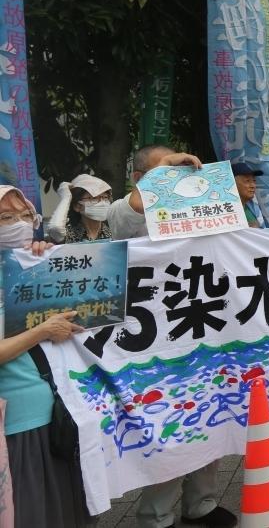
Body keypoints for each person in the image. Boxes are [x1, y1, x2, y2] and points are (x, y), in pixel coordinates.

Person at [107, 145, 237, 528]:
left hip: (205, 324)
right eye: (166, 172)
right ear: (139, 178)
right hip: (157, 339)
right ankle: (156, 516)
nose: (176, 180)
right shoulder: (123, 209)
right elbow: (131, 211)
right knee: (169, 423)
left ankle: (202, 504)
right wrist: (161, 173)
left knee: (210, 412)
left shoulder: (196, 210)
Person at [0, 185, 89, 527]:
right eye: (6, 217)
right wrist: (42, 331)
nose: (19, 225)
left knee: (61, 511)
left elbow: (76, 316)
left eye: (25, 216)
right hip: (14, 423)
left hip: (54, 412)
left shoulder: (35, 263)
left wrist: (49, 263)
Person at [47, 174, 113, 243]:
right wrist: (66, 197)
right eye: (93, 198)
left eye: (105, 197)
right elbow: (56, 229)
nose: (102, 202)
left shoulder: (114, 234)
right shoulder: (69, 235)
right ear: (77, 206)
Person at [233, 163, 269, 228]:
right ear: (233, 183)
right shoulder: (226, 213)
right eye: (247, 181)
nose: (253, 186)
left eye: (254, 181)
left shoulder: (253, 207)